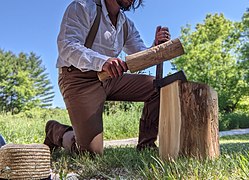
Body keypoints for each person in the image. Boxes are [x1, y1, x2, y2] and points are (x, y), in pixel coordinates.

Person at [43, 0, 171, 154]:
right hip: (78, 79)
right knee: (90, 153)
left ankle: (146, 146)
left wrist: (154, 47)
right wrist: (102, 62)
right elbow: (67, 46)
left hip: (110, 77)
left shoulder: (126, 24)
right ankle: (55, 131)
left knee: (158, 87)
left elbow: (139, 56)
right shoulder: (82, 7)